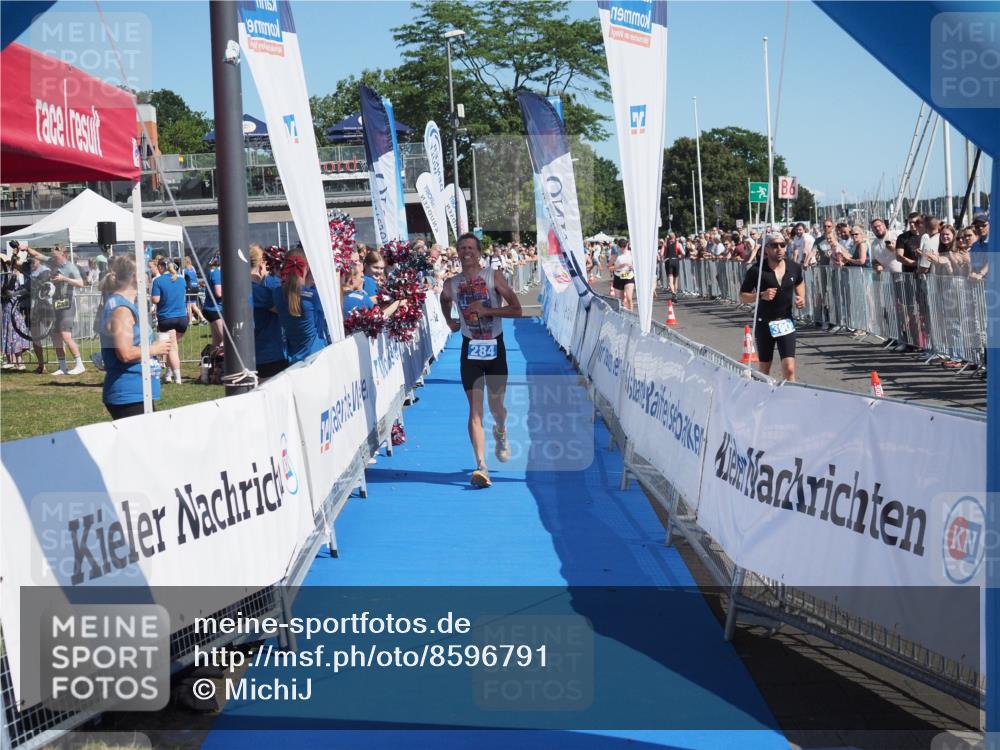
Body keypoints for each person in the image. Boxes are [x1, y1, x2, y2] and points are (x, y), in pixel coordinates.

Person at [439, 233, 522, 488]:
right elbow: (444, 300)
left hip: (495, 347)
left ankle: (501, 429)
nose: (466, 252)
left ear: (479, 252)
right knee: (475, 409)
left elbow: (517, 310)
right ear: (457, 252)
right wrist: (449, 320)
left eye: (471, 248)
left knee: (496, 407)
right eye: (462, 248)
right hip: (470, 349)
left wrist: (488, 311)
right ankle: (481, 466)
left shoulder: (493, 277)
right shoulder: (451, 284)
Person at [99, 255, 172, 419]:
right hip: (129, 393)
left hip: (138, 391)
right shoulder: (121, 309)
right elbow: (124, 353)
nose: (148, 275)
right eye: (145, 271)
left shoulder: (122, 304)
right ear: (135, 277)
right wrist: (154, 348)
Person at [739, 232, 806, 382]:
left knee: (789, 369)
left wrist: (802, 297)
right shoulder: (757, 270)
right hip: (764, 323)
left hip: (786, 322)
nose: (779, 249)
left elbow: (800, 282)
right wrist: (761, 295)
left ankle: (790, 401)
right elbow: (742, 296)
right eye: (774, 245)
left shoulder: (794, 267)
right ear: (766, 249)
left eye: (782, 245)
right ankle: (762, 400)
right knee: (764, 370)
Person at [24, 244, 86, 375]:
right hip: (56, 303)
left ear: (63, 255)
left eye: (55, 256)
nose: (53, 259)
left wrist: (64, 279)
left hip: (68, 303)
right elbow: (37, 255)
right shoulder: (52, 262)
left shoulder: (70, 267)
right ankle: (62, 367)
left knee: (65, 335)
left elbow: (81, 283)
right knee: (55, 336)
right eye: (52, 256)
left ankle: (80, 364)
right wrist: (25, 248)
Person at [274, 249, 325, 364]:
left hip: (294, 359)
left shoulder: (277, 293)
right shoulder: (313, 296)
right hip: (316, 357)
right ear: (307, 269)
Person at [250, 244, 288, 379]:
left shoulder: (244, 289)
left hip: (253, 353)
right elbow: (285, 310)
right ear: (262, 265)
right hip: (268, 354)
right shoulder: (258, 291)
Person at [150, 259, 188, 384]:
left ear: (161, 267)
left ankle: (177, 377)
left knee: (171, 349)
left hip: (167, 318)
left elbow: (155, 299)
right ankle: (168, 374)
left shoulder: (158, 281)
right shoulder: (181, 279)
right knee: (173, 345)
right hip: (182, 318)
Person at [201, 254, 224, 347]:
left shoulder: (212, 271)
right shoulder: (217, 273)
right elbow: (219, 293)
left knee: (217, 342)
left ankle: (211, 361)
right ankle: (223, 361)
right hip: (215, 310)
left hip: (211, 309)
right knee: (227, 340)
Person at [611, 238, 635, 311]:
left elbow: (637, 266)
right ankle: (622, 316)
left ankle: (631, 316)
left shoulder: (631, 254)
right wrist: (618, 267)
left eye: (624, 246)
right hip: (618, 277)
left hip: (629, 276)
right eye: (621, 247)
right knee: (619, 300)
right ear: (618, 246)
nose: (623, 248)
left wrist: (632, 267)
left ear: (627, 245)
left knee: (629, 298)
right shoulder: (616, 255)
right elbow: (609, 267)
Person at [182, 256, 208, 326]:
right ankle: (203, 319)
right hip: (195, 287)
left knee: (188, 305)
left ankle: (190, 322)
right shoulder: (193, 268)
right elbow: (196, 278)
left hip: (189, 288)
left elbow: (182, 280)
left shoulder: (184, 270)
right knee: (193, 305)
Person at [969, 212, 990, 282]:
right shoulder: (974, 246)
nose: (980, 228)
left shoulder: (996, 242)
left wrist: (981, 274)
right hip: (980, 286)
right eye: (977, 226)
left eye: (984, 225)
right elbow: (974, 265)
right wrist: (973, 272)